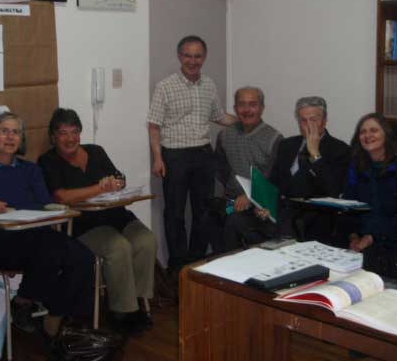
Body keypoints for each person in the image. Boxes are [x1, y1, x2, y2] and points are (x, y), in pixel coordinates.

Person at [0, 112, 95, 340]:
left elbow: (43, 205)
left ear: (22, 140)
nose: (10, 137)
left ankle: (56, 316)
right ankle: (26, 302)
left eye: (16, 132)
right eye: (4, 131)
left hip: (35, 238)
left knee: (84, 258)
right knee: (52, 250)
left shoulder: (31, 170)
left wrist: (57, 210)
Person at [38, 108, 157, 336]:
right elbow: (61, 196)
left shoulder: (96, 151)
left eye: (74, 132)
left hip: (117, 216)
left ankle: (139, 301)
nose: (70, 138)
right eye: (63, 133)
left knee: (146, 240)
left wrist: (117, 183)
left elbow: (119, 178)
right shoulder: (48, 161)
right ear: (53, 136)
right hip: (85, 225)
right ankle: (122, 312)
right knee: (118, 247)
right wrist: (98, 188)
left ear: (80, 133)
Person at [147, 35, 236, 269]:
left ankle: (196, 263)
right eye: (188, 55)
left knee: (204, 212)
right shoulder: (165, 86)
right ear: (179, 56)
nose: (193, 61)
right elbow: (154, 124)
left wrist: (247, 122)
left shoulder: (209, 84)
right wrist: (157, 158)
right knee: (174, 214)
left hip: (205, 156)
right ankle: (178, 267)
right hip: (174, 156)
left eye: (198, 56)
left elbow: (219, 116)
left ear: (204, 58)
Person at [202, 86, 283, 253]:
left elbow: (273, 177)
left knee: (234, 221)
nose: (246, 110)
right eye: (241, 105)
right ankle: (221, 265)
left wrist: (250, 196)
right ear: (235, 108)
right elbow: (220, 171)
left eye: (252, 104)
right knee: (208, 217)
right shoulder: (225, 136)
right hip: (232, 200)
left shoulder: (274, 138)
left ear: (262, 108)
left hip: (260, 205)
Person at [269, 96, 351, 244]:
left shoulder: (340, 150)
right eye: (303, 120)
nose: (308, 125)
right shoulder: (286, 145)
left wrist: (315, 153)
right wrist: (264, 205)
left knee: (290, 224)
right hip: (281, 208)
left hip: (313, 213)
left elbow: (333, 190)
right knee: (236, 220)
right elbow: (273, 182)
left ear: (325, 121)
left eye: (313, 120)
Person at [344, 113, 397, 252]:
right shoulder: (355, 166)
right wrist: (353, 237)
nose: (368, 136)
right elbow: (348, 206)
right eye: (363, 132)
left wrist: (372, 237)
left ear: (386, 134)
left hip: (394, 242)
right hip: (358, 243)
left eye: (374, 130)